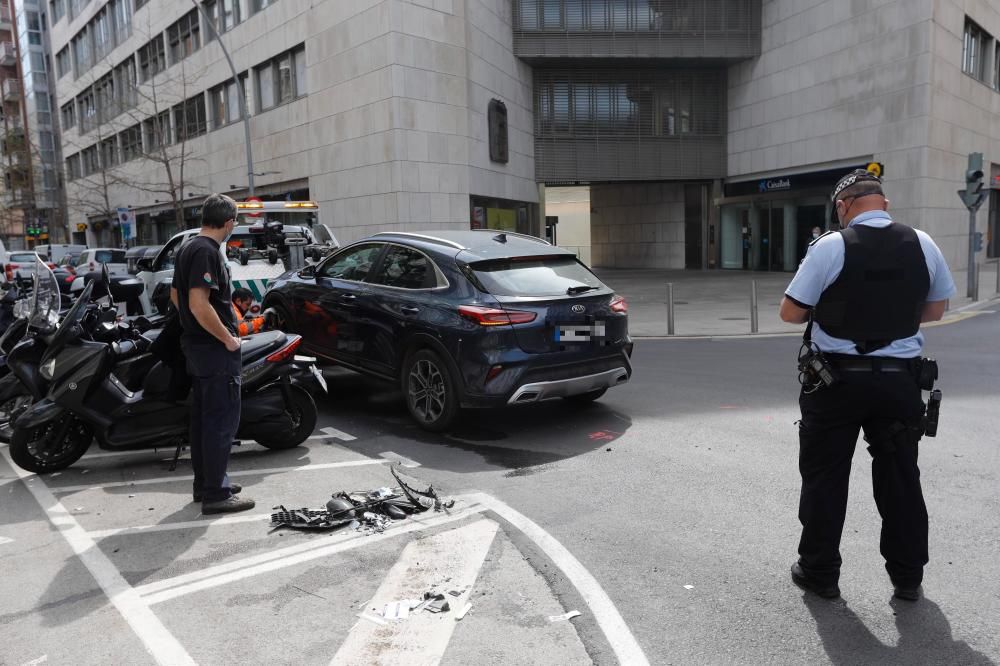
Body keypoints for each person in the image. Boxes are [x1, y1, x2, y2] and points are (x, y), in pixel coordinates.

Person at [778, 169, 955, 602]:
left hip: (835, 383)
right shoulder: (923, 242)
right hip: (898, 383)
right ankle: (908, 576)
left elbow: (790, 313)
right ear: (884, 204)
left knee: (825, 477)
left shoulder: (831, 246)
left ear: (842, 207)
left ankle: (820, 572)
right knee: (900, 477)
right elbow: (934, 311)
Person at [170, 194, 255, 514]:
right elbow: (197, 303)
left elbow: (176, 295)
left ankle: (207, 484)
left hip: (197, 348)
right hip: (214, 350)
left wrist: (193, 326)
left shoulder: (188, 247)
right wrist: (227, 339)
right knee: (221, 422)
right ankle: (216, 494)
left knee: (205, 421)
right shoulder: (207, 252)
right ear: (229, 222)